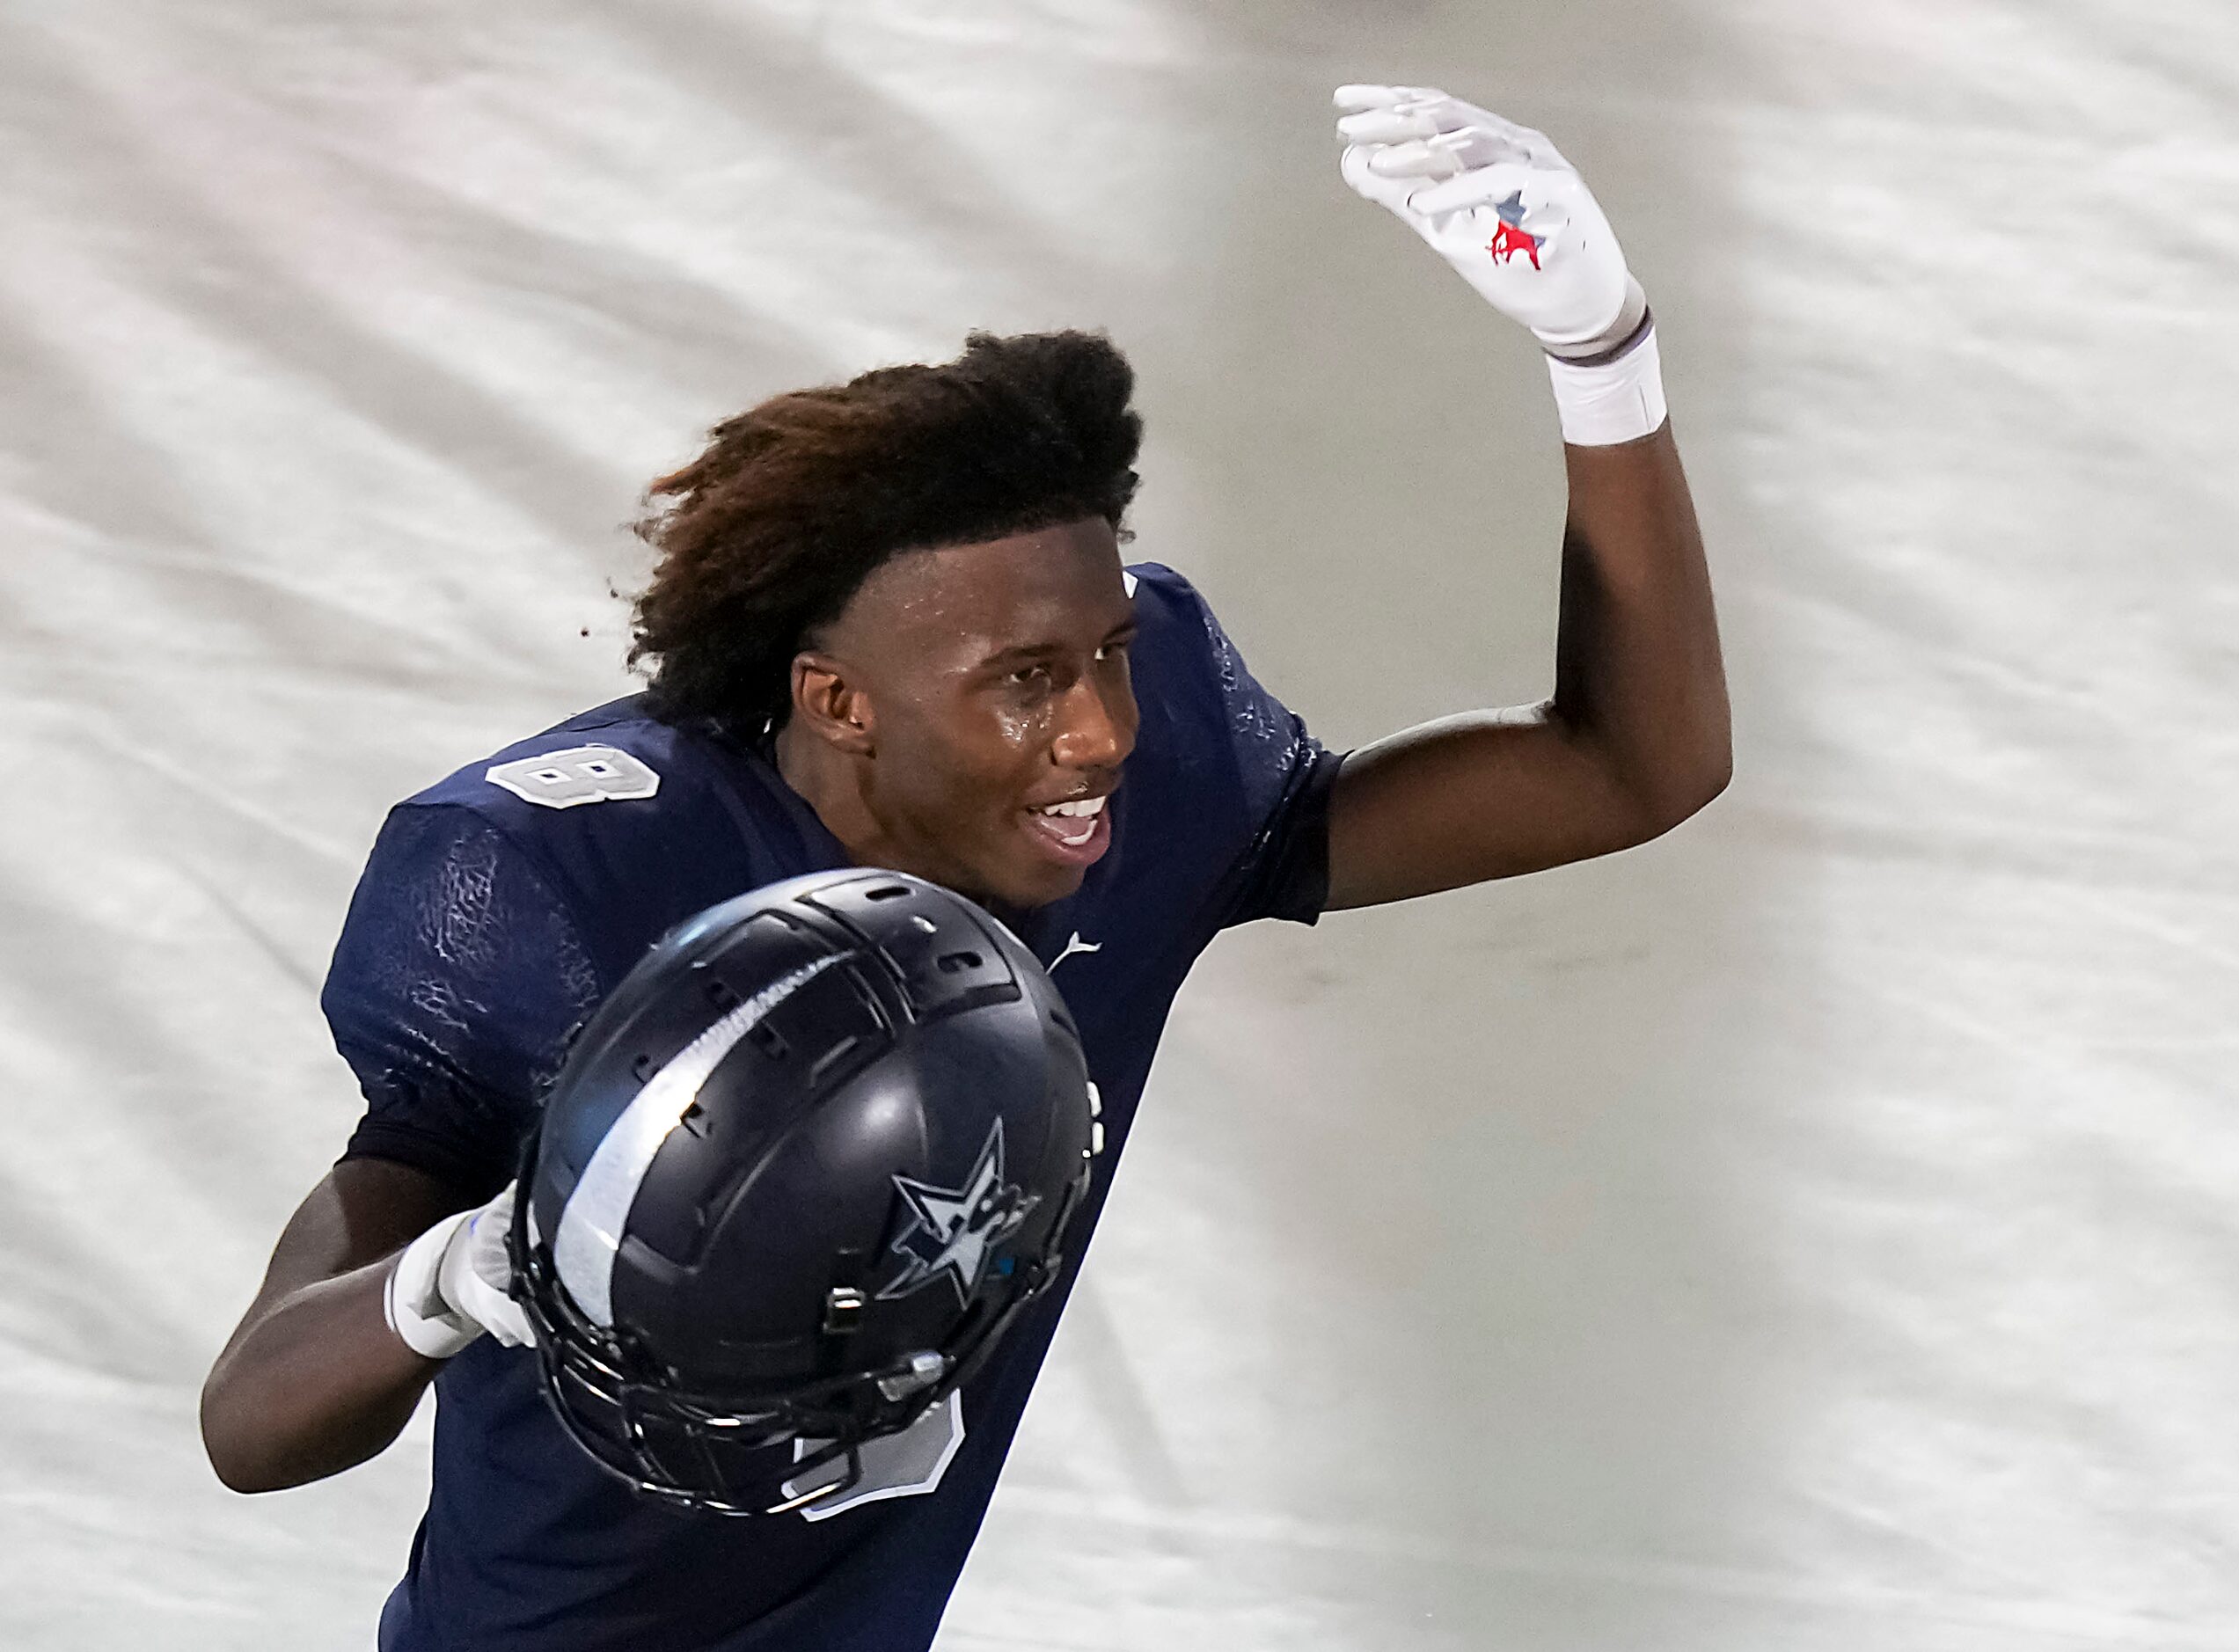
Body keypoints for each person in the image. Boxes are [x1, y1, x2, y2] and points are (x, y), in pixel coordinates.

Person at [199, 85, 1730, 1651]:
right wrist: (465, 1271)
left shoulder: (1148, 811)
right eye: (1024, 679)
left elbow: (1629, 766)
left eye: (1112, 654)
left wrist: (1603, 358)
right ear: (836, 699)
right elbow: (251, 1424)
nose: (1102, 733)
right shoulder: (563, 884)